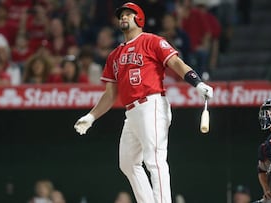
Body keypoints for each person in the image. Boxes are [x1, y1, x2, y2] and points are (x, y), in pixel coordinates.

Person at [73, 2, 213, 203]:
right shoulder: (114, 55)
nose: (124, 17)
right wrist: (91, 116)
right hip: (131, 112)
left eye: (129, 14)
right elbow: (110, 93)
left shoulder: (151, 41)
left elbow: (176, 63)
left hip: (152, 105)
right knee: (128, 163)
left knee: (154, 161)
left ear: (139, 19)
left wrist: (197, 83)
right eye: (122, 15)